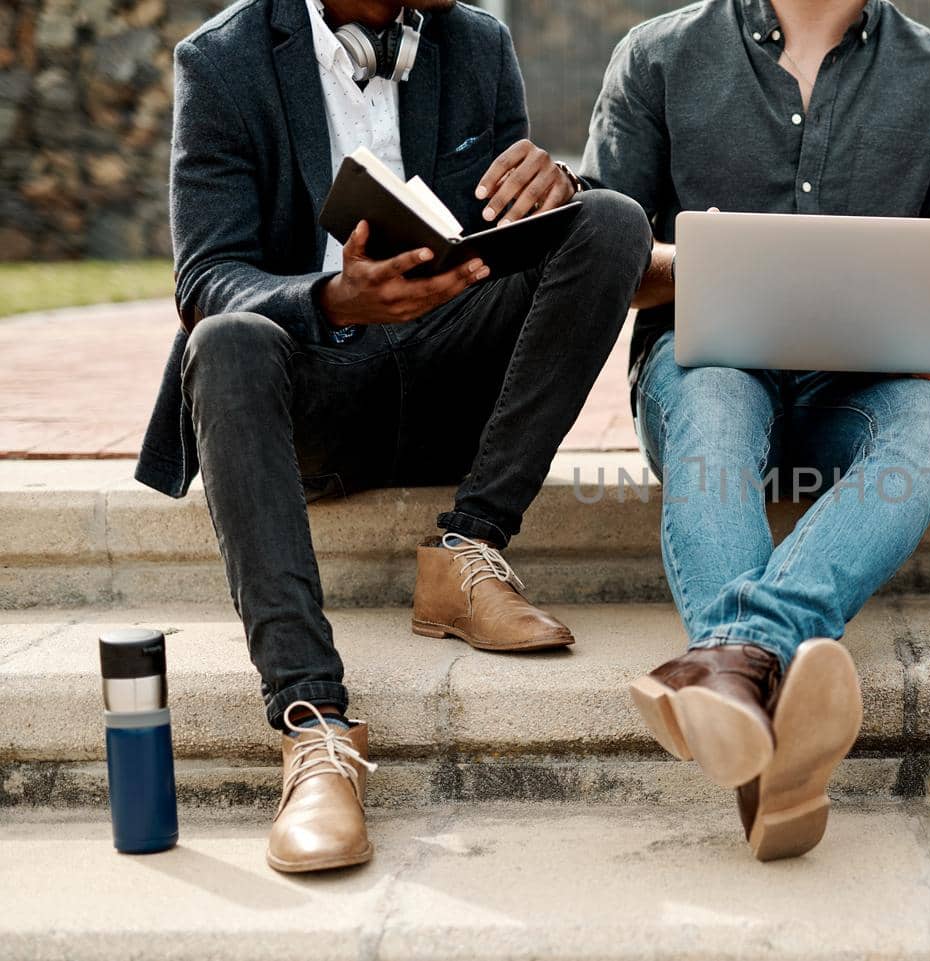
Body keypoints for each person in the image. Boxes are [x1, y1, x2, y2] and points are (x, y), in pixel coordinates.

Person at [134, 0, 651, 873]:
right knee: (222, 341)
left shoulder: (476, 40)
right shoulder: (221, 61)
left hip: (450, 377)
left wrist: (554, 186)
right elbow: (207, 277)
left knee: (611, 219)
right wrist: (336, 300)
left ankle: (470, 547)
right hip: (316, 391)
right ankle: (313, 724)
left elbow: (508, 245)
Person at [581, 0, 930, 861]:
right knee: (712, 396)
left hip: (862, 388)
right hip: (705, 367)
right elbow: (599, 251)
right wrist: (723, 267)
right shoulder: (657, 56)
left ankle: (738, 662)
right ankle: (771, 694)